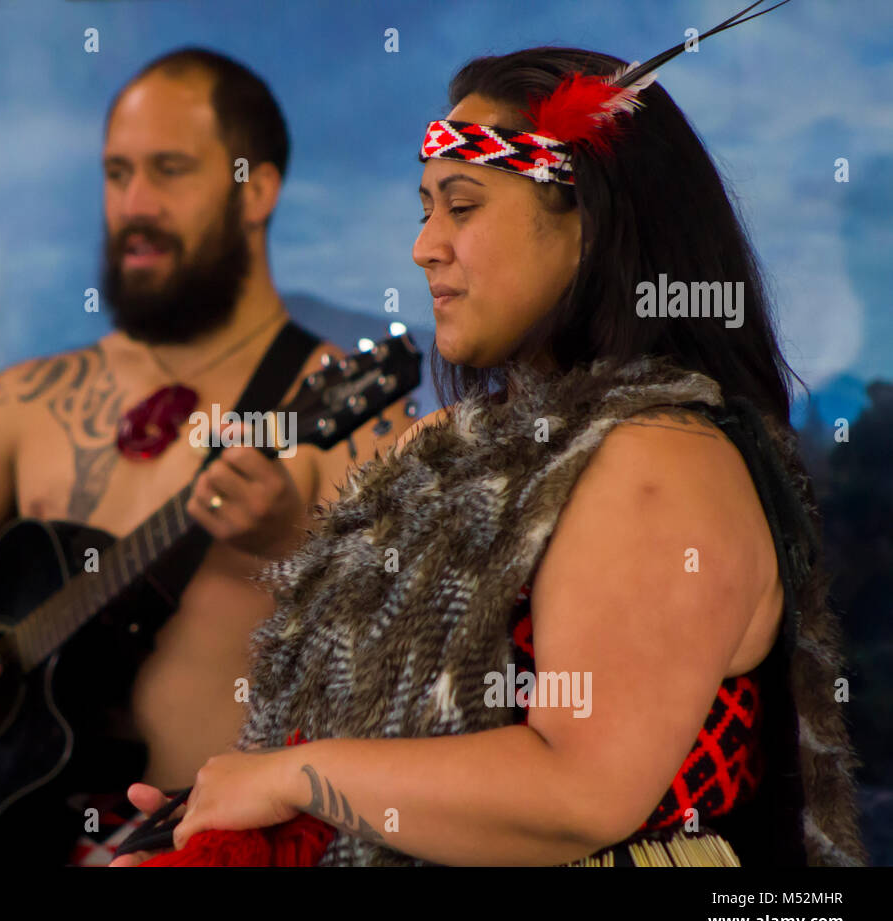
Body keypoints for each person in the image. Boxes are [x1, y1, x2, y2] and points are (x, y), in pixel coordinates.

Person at [113, 37, 867, 867]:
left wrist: (294, 778)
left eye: (462, 206)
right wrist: (240, 816)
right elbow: (386, 756)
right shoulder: (446, 447)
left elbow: (580, 792)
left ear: (590, 219)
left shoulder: (660, 458)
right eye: (425, 208)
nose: (424, 246)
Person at [0, 47, 412, 865]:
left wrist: (295, 545)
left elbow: (422, 667)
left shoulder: (345, 409)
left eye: (170, 170)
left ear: (256, 190)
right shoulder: (24, 404)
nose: (134, 205)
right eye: (116, 175)